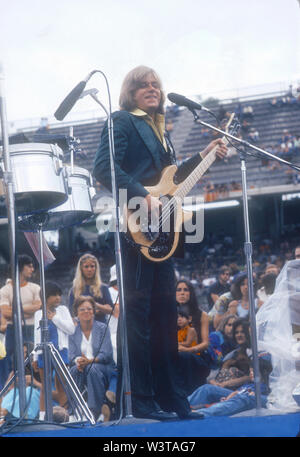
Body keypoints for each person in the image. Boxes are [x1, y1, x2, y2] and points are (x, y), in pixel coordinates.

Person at [93, 65, 227, 420]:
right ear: (130, 92)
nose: (152, 89)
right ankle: (142, 399)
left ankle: (173, 399)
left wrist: (205, 155)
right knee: (139, 316)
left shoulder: (160, 131)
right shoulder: (121, 120)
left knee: (166, 316)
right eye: (143, 85)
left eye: (156, 84)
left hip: (163, 231)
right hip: (137, 226)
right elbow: (103, 168)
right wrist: (142, 196)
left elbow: (171, 179)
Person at [33, 281, 75, 421]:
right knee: (45, 387)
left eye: (59, 295)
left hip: (60, 352)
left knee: (62, 385)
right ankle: (42, 416)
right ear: (45, 297)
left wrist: (55, 318)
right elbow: (36, 335)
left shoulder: (63, 310)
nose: (58, 298)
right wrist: (34, 357)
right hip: (43, 354)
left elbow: (71, 329)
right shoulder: (38, 313)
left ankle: (64, 415)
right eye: (54, 295)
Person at [69, 296, 115, 422]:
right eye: (82, 309)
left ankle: (94, 411)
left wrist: (90, 361)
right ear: (77, 312)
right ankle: (75, 411)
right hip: (83, 365)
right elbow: (71, 355)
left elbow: (106, 354)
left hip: (102, 366)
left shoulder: (102, 328)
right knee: (73, 371)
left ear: (94, 311)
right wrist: (79, 361)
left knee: (92, 369)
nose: (86, 311)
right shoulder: (73, 330)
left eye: (89, 309)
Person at [0, 255, 41, 368]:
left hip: (30, 328)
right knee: (11, 362)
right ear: (20, 268)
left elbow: (38, 307)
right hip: (13, 329)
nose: (32, 270)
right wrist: (29, 309)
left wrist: (16, 309)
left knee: (31, 361)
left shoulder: (35, 288)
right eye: (29, 266)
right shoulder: (5, 290)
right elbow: (5, 313)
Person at [176, 279, 211, 395]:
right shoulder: (168, 314)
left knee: (185, 357)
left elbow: (205, 343)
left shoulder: (202, 315)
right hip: (174, 352)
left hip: (196, 355)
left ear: (191, 293)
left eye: (185, 290)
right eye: (179, 290)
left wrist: (188, 350)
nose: (182, 293)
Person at [69, 253, 113, 323]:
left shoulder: (103, 288)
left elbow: (111, 310)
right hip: (82, 328)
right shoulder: (74, 290)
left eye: (92, 266)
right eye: (86, 266)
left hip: (101, 328)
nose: (89, 269)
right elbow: (72, 313)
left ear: (96, 268)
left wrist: (95, 304)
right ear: (81, 269)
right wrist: (97, 309)